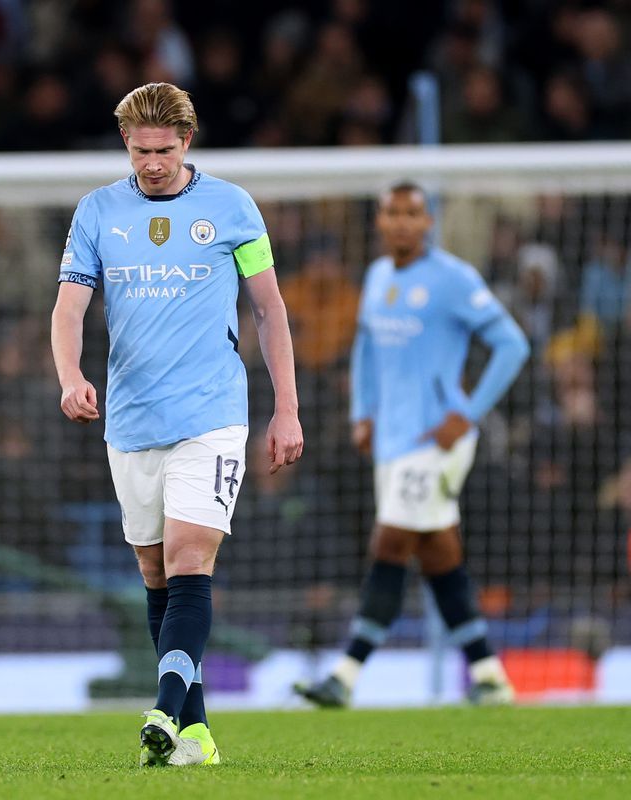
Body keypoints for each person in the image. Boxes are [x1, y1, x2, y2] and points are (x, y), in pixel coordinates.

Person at [51, 82, 303, 767]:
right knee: (155, 572)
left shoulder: (231, 208)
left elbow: (270, 310)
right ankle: (194, 733)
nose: (152, 163)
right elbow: (70, 307)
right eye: (140, 150)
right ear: (125, 145)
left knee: (192, 559)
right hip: (132, 419)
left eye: (163, 149)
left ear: (187, 143)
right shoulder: (98, 212)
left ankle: (163, 705)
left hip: (212, 413)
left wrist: (286, 408)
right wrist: (71, 376)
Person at [294, 181, 530, 709]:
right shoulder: (378, 277)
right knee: (437, 552)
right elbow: (366, 351)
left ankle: (345, 675)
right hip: (393, 442)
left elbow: (513, 345)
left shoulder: (453, 279)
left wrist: (467, 413)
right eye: (392, 213)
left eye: (412, 214)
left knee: (390, 543)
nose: (402, 222)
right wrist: (363, 413)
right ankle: (490, 676)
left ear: (428, 223)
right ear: (380, 222)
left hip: (435, 442)